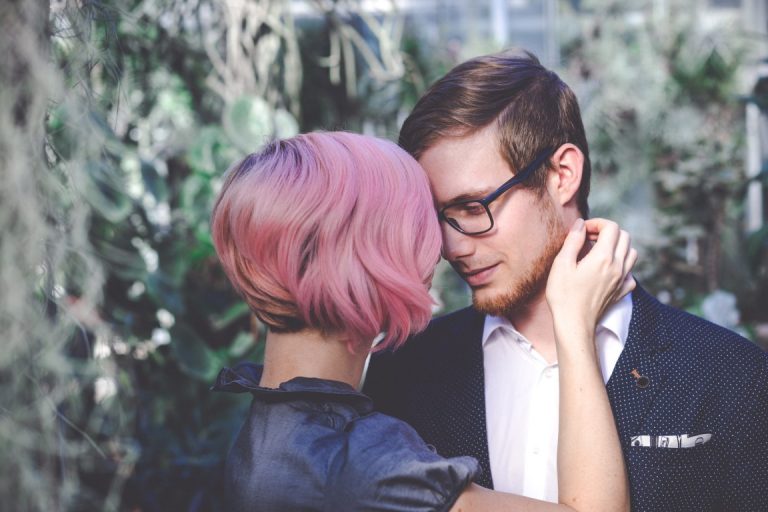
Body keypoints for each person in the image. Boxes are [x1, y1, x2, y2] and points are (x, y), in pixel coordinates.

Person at [363, 50, 768, 512]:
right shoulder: (404, 371)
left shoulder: (732, 374)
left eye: (474, 208)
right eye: (439, 217)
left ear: (562, 175)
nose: (453, 247)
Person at [210, 131, 635, 511]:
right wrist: (574, 322)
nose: (444, 250)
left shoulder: (269, 427)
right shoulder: (359, 463)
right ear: (370, 257)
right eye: (423, 225)